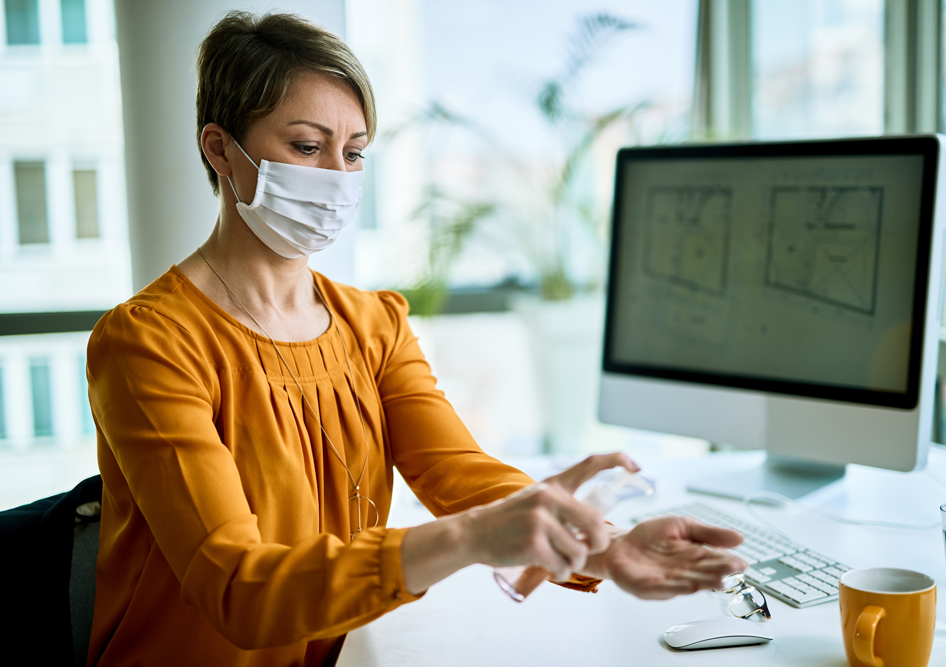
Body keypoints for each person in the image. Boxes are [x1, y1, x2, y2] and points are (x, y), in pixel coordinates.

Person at [85, 11, 745, 667]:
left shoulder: (374, 323)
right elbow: (238, 589)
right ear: (220, 148)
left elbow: (459, 474)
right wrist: (469, 537)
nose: (337, 177)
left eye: (354, 151)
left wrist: (603, 544)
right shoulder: (149, 343)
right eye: (307, 147)